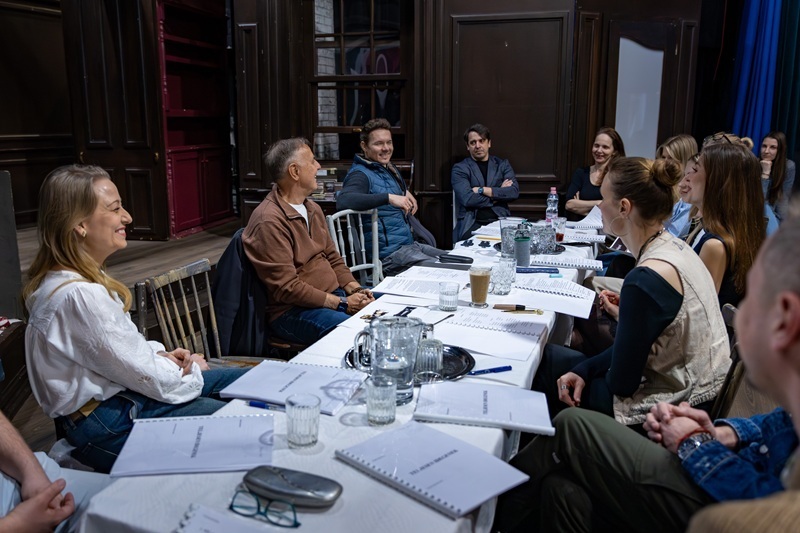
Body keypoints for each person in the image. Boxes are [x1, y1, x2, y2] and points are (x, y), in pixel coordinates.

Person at [494, 215, 800, 533]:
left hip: (721, 499)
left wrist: (697, 445)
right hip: (715, 441)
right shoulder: (675, 251)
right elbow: (781, 426)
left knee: (570, 424)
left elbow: (770, 514)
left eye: (758, 299)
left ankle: (493, 509)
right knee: (561, 490)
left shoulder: (663, 266)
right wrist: (726, 433)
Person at [24, 165, 250, 474]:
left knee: (250, 382)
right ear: (80, 225)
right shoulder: (80, 295)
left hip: (118, 399)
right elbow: (145, 376)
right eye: (115, 208)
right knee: (239, 421)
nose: (127, 217)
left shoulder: (72, 281)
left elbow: (116, 353)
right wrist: (188, 369)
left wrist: (162, 355)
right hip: (107, 420)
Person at [532, 157, 730, 425]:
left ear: (624, 208)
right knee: (560, 359)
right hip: (701, 391)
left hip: (675, 407)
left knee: (543, 366)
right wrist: (585, 368)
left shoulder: (644, 279)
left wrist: (588, 368)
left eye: (604, 199)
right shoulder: (674, 246)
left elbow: (622, 383)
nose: (600, 207)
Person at [243, 138, 375, 345]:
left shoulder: (312, 208)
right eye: (312, 161)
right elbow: (288, 288)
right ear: (294, 171)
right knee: (360, 336)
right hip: (293, 311)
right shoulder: (268, 221)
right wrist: (342, 303)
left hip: (333, 297)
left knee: (393, 311)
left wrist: (356, 290)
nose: (318, 166)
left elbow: (333, 257)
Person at [680, 143, 766, 308]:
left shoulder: (715, 245)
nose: (687, 176)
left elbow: (698, 312)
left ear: (718, 182)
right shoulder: (709, 227)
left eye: (695, 170)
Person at [336, 118, 417, 258]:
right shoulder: (360, 174)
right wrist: (389, 197)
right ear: (364, 146)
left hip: (408, 247)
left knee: (453, 259)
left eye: (389, 142)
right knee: (444, 266)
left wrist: (403, 191)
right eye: (378, 143)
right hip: (388, 257)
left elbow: (379, 185)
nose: (386, 148)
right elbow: (344, 200)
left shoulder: (384, 167)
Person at [451, 124, 519, 241]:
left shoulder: (502, 165)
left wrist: (482, 190)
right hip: (472, 222)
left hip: (499, 221)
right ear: (468, 146)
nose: (477, 146)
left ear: (489, 143)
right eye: (473, 142)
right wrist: (497, 195)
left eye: (481, 141)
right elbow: (467, 199)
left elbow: (513, 192)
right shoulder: (460, 168)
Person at [565, 127, 625, 217]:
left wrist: (580, 205)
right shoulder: (581, 173)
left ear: (614, 151)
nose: (599, 150)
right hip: (578, 225)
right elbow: (569, 205)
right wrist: (599, 203)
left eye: (605, 147)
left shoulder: (618, 176)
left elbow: (616, 209)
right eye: (596, 146)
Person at [656, 134, 698, 238]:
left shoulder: (688, 197)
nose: (665, 163)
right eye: (663, 157)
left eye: (671, 158)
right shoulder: (659, 185)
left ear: (685, 160)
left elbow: (674, 235)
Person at [760, 131, 796, 222]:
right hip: (757, 211)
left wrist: (783, 224)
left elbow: (783, 198)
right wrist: (765, 173)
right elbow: (759, 201)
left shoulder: (788, 166)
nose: (766, 151)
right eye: (764, 146)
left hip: (773, 214)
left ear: (780, 150)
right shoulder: (753, 164)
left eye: (773, 147)